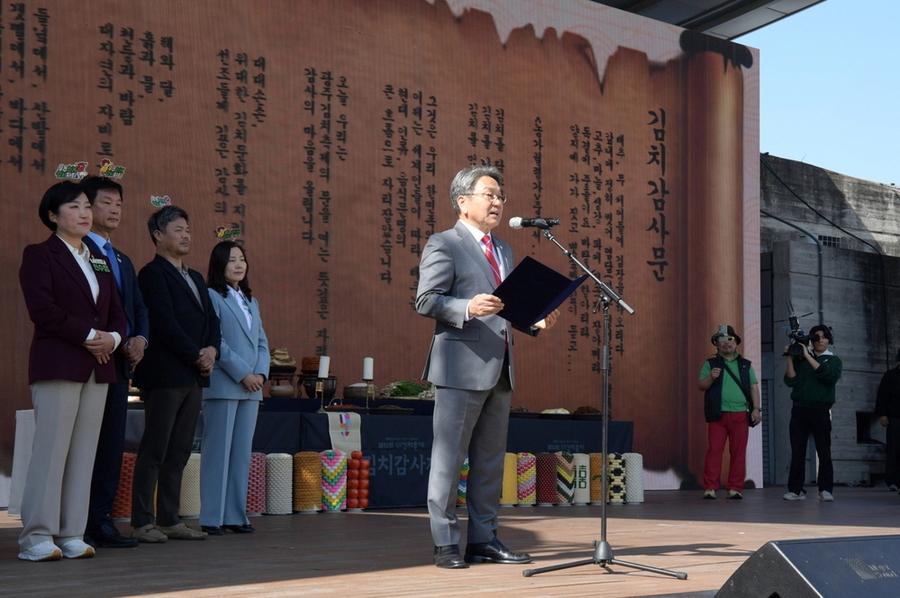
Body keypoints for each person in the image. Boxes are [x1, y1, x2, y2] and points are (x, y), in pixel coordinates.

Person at [415, 165, 559, 569]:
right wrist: (466, 307)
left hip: (500, 367)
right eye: (489, 194)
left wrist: (535, 318)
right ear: (462, 201)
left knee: (489, 463)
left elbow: (506, 307)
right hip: (459, 367)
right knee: (449, 460)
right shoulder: (443, 243)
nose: (497, 202)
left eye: (500, 196)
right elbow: (426, 300)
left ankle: (483, 540)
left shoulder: (505, 250)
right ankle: (445, 544)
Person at [17, 181, 126, 561]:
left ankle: (71, 533)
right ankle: (36, 537)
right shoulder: (40, 254)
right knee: (51, 452)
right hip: (60, 363)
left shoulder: (96, 256)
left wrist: (112, 338)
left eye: (86, 207)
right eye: (74, 207)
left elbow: (116, 311)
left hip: (99, 365)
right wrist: (89, 334)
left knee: (83, 453)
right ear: (52, 215)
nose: (84, 213)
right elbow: (42, 309)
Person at [130, 205, 220, 542]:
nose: (186, 236)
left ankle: (169, 519)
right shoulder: (152, 274)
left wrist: (212, 350)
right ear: (158, 235)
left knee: (180, 450)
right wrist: (196, 354)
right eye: (178, 229)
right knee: (155, 448)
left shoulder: (195, 276)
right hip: (166, 374)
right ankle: (141, 521)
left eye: (187, 229)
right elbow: (163, 322)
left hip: (194, 376)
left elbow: (211, 321)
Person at [80, 176, 148, 549]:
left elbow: (136, 307)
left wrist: (139, 339)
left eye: (119, 202)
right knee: (86, 445)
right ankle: (80, 520)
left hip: (121, 364)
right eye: (107, 201)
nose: (115, 209)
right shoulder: (80, 250)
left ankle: (100, 519)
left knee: (110, 445)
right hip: (92, 359)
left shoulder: (121, 258)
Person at [199, 241, 269, 535]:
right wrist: (244, 374)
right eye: (231, 261)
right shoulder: (212, 296)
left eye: (242, 259)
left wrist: (261, 375)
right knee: (217, 453)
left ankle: (235, 515)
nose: (239, 265)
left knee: (241, 453)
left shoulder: (251, 301)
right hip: (224, 384)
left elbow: (262, 343)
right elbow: (218, 343)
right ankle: (211, 517)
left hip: (252, 389)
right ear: (219, 265)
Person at [697, 325, 760, 500]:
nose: (726, 343)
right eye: (722, 340)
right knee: (714, 450)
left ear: (736, 343)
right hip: (718, 414)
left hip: (741, 414)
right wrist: (711, 377)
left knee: (738, 452)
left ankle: (734, 488)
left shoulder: (745, 365)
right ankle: (710, 488)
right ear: (716, 344)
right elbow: (701, 386)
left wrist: (756, 409)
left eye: (730, 339)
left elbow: (753, 387)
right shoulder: (710, 364)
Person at [783, 324, 842, 502]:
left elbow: (827, 376)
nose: (820, 340)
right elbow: (790, 381)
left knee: (823, 451)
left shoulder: (833, 360)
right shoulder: (801, 361)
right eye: (816, 337)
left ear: (829, 340)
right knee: (798, 451)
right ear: (811, 340)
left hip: (821, 410)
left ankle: (825, 489)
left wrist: (807, 355)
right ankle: (796, 490)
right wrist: (790, 358)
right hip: (800, 409)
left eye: (824, 337)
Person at [874, 349, 900, 492]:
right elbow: (882, 395)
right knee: (894, 449)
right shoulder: (891, 375)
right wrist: (882, 415)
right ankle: (893, 480)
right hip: (895, 417)